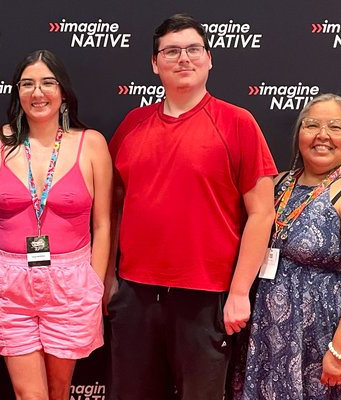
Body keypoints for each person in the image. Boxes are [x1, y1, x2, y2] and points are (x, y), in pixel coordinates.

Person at [107, 13, 277, 399]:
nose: (183, 58)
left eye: (193, 49)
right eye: (171, 51)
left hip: (206, 296)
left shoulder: (237, 123)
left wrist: (238, 292)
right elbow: (111, 209)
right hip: (135, 294)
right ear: (155, 63)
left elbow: (262, 213)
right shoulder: (132, 123)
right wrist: (107, 280)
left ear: (209, 58)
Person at [0, 49, 112, 400]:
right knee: (28, 392)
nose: (38, 92)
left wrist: (95, 281)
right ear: (17, 92)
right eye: (27, 83)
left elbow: (104, 222)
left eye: (48, 82)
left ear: (62, 91)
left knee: (59, 391)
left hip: (71, 281)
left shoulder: (91, 144)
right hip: (8, 282)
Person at [234, 94, 341, 399]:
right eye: (311, 125)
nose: (322, 135)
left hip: (323, 339)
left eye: (335, 126)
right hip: (268, 335)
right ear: (299, 135)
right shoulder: (279, 184)